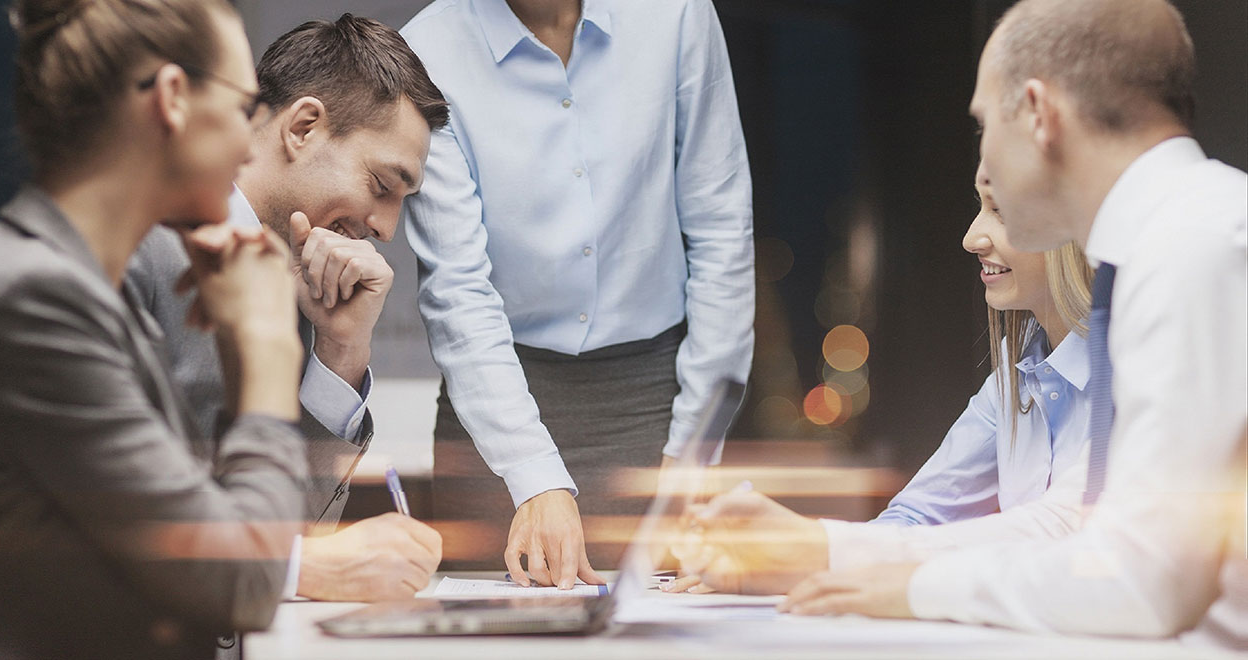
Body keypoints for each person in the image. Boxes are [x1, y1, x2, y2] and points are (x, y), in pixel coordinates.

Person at [778, 0, 1246, 647]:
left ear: (1037, 113)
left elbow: (1138, 579)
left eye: (982, 124)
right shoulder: (1180, 238)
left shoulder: (1193, 245)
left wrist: (910, 587)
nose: (985, 163)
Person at [0, 0, 309, 657]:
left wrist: (238, 349)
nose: (250, 145)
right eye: (242, 108)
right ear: (172, 97)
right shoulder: (35, 299)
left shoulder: (83, 288)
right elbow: (241, 580)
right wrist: (267, 346)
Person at [400, 0, 755, 586]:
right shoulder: (427, 50)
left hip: (656, 402)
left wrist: (692, 452)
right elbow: (458, 286)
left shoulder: (677, 15)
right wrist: (530, 472)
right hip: (497, 410)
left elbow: (722, 229)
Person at [127, 13, 447, 605]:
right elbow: (104, 513)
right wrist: (303, 567)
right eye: (382, 184)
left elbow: (291, 532)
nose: (386, 227)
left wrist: (342, 352)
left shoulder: (298, 285)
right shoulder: (136, 247)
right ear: (302, 127)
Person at [670, 163, 1095, 595]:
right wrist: (774, 561)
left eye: (1000, 211)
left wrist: (812, 551)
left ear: (1076, 224)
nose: (971, 238)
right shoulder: (1014, 379)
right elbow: (915, 517)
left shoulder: (1141, 370)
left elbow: (1067, 533)